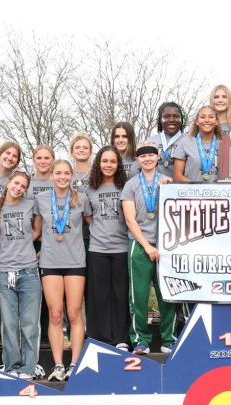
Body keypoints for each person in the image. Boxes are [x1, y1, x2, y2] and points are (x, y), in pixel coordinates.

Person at [34, 160, 87, 381]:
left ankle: (75, 363)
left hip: (75, 261)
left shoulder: (81, 198)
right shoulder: (41, 199)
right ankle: (58, 365)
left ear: (72, 174)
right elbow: (37, 230)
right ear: (52, 175)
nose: (62, 177)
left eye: (66, 173)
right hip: (50, 261)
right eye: (58, 173)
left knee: (74, 314)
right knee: (55, 315)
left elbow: (92, 224)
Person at [122, 141, 176, 354]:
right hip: (140, 245)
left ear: (157, 157)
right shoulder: (131, 185)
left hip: (166, 245)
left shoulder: (167, 181)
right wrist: (146, 246)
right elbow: (129, 220)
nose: (147, 159)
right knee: (138, 296)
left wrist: (170, 188)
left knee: (168, 294)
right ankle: (140, 341)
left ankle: (168, 339)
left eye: (151, 155)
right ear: (137, 159)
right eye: (142, 156)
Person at [0, 172, 42, 379]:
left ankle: (28, 367)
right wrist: (5, 252)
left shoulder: (30, 205)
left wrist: (27, 246)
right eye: (16, 183)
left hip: (29, 271)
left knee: (29, 323)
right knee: (9, 323)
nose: (19, 188)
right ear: (8, 183)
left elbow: (37, 230)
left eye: (23, 186)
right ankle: (11, 366)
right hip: (4, 272)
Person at [85, 146, 130, 350]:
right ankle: (100, 338)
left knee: (120, 295)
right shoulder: (90, 189)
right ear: (98, 163)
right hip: (98, 249)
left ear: (118, 164)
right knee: (99, 296)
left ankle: (121, 338)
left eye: (113, 161)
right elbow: (89, 218)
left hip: (121, 248)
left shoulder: (126, 187)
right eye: (105, 161)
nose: (109, 165)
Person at [174, 105, 224, 182]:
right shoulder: (185, 143)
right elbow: (177, 176)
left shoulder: (224, 145)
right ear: (197, 121)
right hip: (191, 192)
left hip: (217, 193)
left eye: (211, 117)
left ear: (217, 121)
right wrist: (196, 187)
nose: (207, 120)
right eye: (202, 117)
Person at [151, 102, 186, 179]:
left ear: (182, 120)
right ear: (160, 119)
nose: (171, 120)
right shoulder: (151, 141)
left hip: (182, 189)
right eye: (166, 116)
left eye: (176, 116)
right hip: (155, 188)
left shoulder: (190, 141)